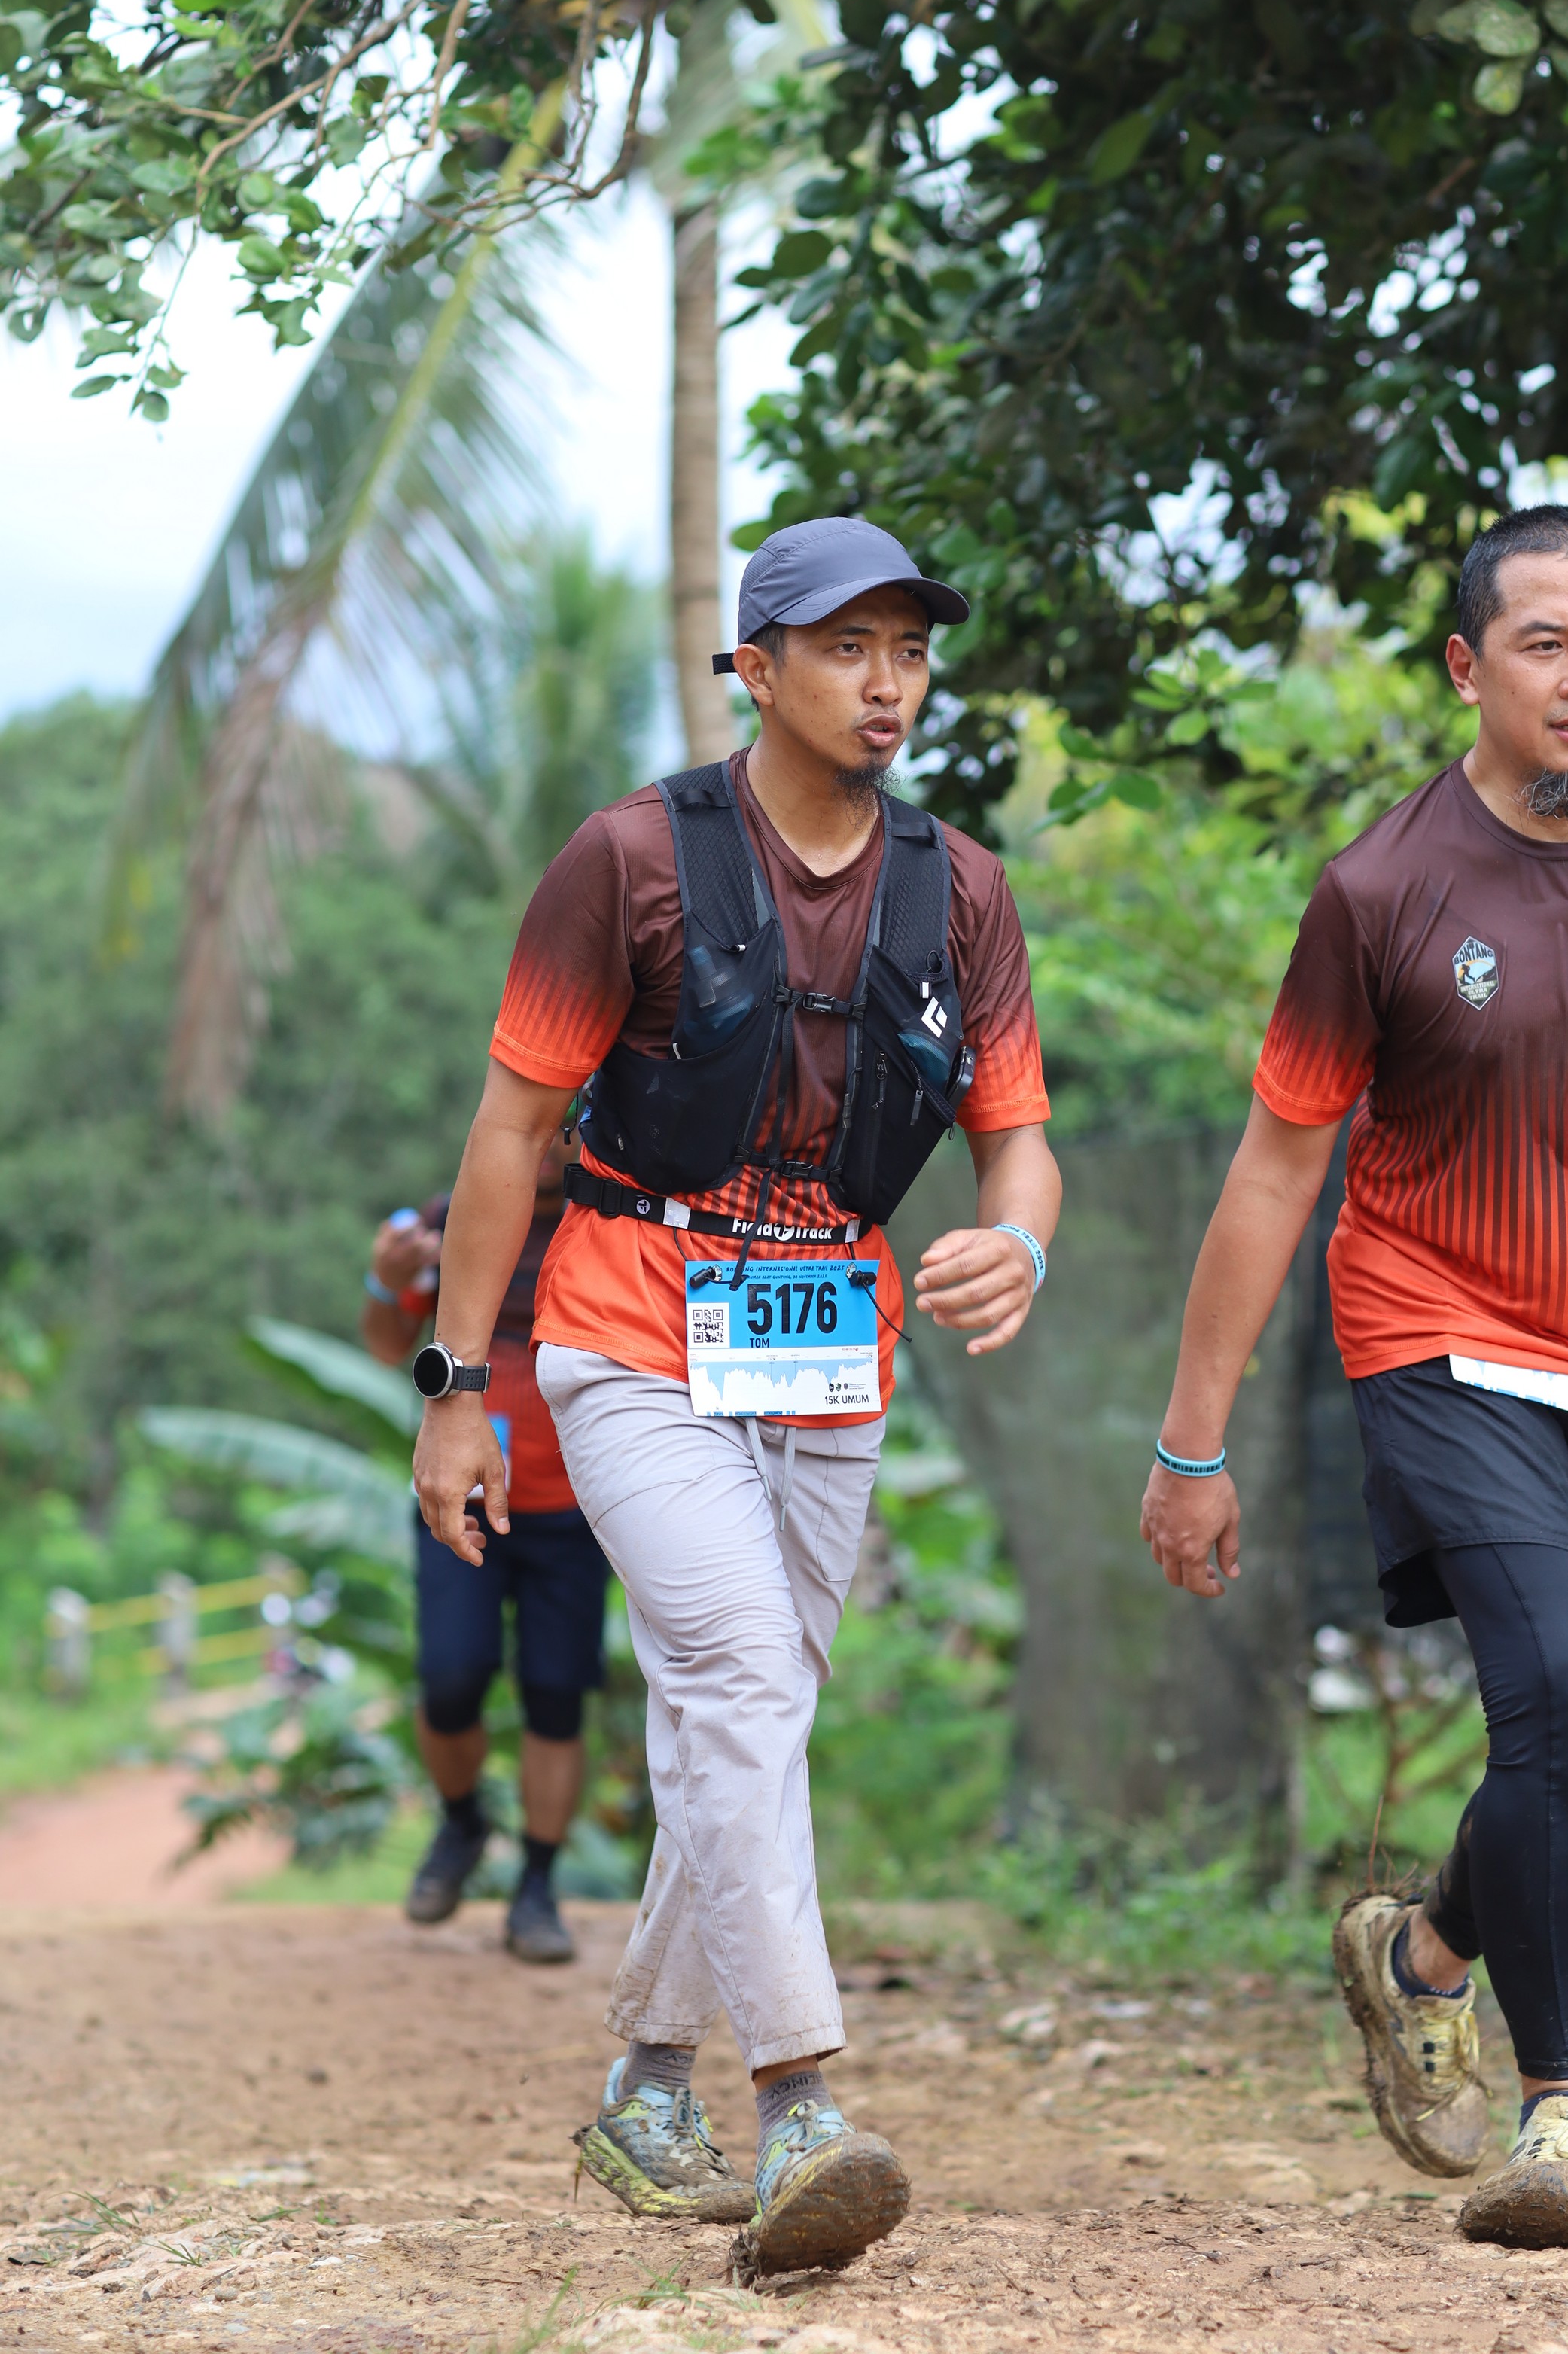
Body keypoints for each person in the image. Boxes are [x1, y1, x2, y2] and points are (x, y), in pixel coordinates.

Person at [1143, 504, 1568, 2250]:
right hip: (1433, 1330)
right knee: (1550, 1709)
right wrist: (1189, 1445)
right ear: (1465, 667)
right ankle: (1559, 2110)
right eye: (1543, 644)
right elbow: (1275, 1170)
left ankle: (1422, 1951)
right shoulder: (1381, 891)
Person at [410, 517, 1061, 2276]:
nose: (886, 682)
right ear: (754, 669)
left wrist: (1017, 1239)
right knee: (737, 1679)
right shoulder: (629, 858)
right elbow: (511, 1132)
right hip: (629, 1315)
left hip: (828, 1334)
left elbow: (1018, 1138)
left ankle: (643, 2082)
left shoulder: (961, 888)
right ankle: (799, 2111)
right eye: (845, 647)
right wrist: (457, 1390)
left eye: (907, 649)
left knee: (748, 1718)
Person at [363, 1135, 607, 1964]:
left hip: (576, 1509)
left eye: (565, 1123)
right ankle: (463, 1822)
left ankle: (536, 1887)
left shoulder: (614, 1215)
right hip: (458, 1501)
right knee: (450, 1679)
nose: (546, 1141)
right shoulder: (453, 1218)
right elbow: (387, 1342)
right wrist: (386, 1281)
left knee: (555, 1698)